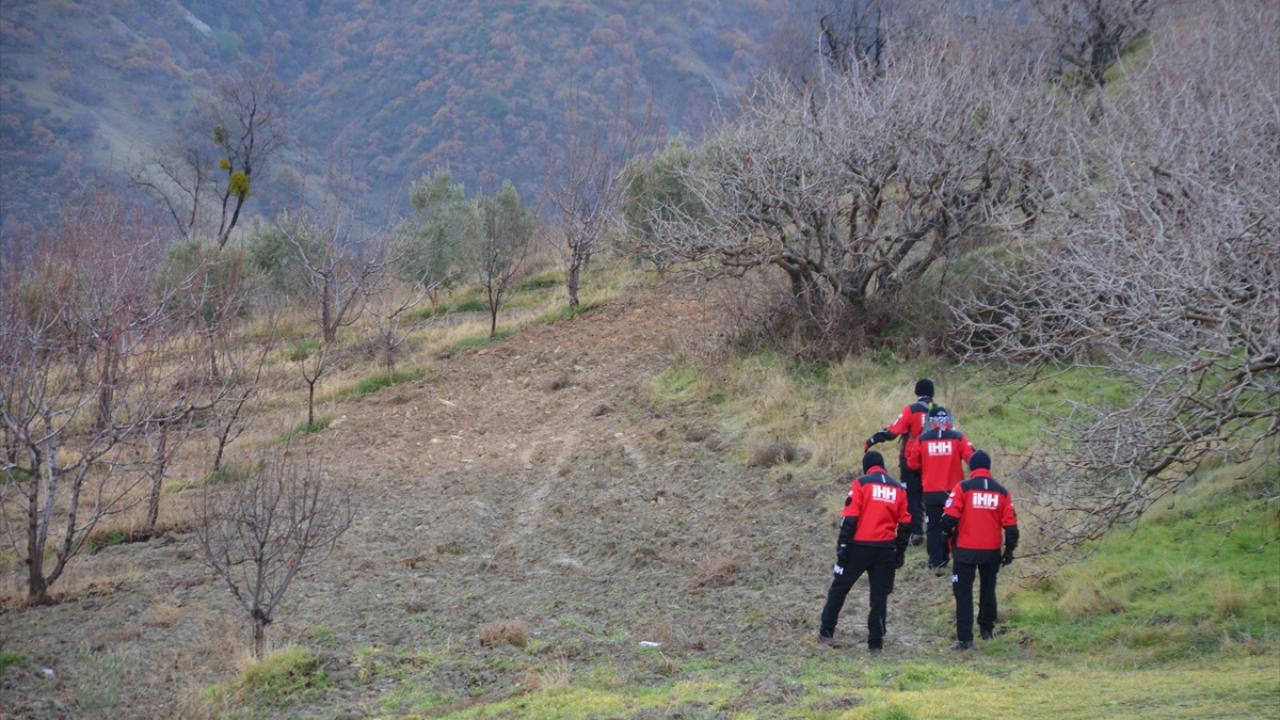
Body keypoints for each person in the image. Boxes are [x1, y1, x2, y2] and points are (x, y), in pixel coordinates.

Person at [818, 451, 912, 653]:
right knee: (879, 598)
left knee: (839, 588)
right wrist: (899, 551)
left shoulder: (861, 484)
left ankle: (826, 631)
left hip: (858, 547)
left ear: (866, 466)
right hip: (885, 549)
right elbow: (905, 523)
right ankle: (875, 643)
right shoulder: (898, 489)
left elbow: (850, 517)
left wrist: (842, 545)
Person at [939, 450, 1019, 650]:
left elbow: (949, 519)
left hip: (965, 550)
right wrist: (1008, 551)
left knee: (963, 593)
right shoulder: (1001, 492)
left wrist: (944, 536)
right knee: (988, 589)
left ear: (971, 468)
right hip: (991, 551)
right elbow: (1011, 527)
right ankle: (986, 630)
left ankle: (966, 639)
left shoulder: (963, 488)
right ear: (989, 468)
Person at [865, 378, 936, 546]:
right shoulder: (940, 412)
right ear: (932, 393)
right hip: (933, 462)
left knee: (911, 496)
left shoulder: (911, 410)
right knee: (931, 497)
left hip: (910, 461)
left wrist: (872, 439)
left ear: (917, 392)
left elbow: (892, 431)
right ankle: (935, 533)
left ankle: (917, 532)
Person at [905, 406, 974, 574]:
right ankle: (959, 560)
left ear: (930, 421)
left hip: (931, 492)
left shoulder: (922, 439)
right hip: (955, 492)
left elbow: (912, 464)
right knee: (958, 526)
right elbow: (971, 459)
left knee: (934, 527)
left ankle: (936, 563)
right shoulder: (958, 437)